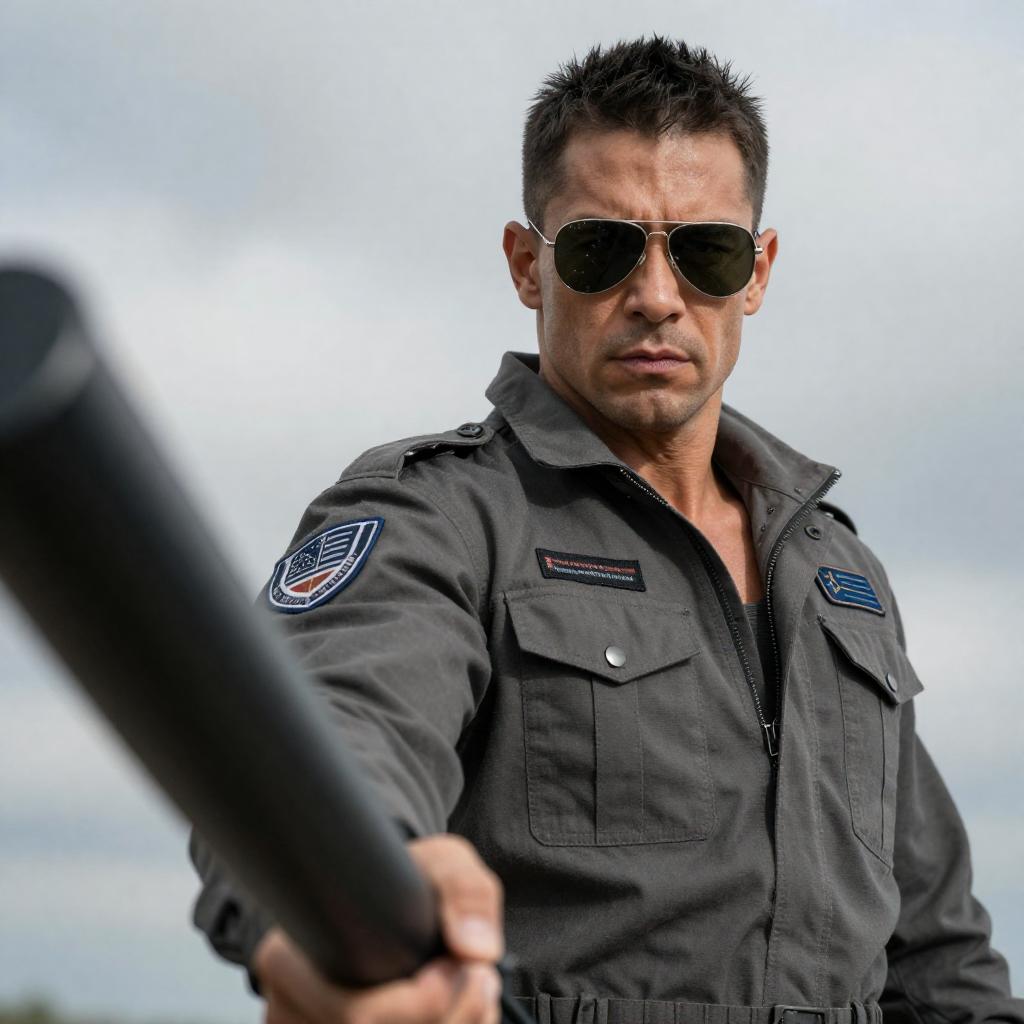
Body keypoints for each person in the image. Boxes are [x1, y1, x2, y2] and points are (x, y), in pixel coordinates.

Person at [189, 36, 1022, 1024]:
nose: (657, 297)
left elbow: (936, 952)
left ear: (757, 272)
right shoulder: (439, 519)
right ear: (526, 265)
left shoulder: (839, 574)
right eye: (601, 248)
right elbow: (325, 738)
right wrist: (346, 913)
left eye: (705, 251)